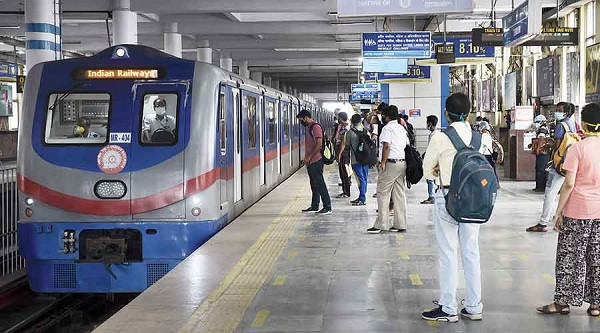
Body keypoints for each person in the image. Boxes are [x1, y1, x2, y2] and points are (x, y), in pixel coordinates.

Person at [421, 93, 483, 322]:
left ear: (446, 114)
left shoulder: (439, 137)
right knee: (471, 251)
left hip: (447, 197)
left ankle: (448, 308)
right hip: (474, 200)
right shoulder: (479, 137)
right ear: (468, 114)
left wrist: (438, 170)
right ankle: (474, 306)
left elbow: (428, 171)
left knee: (448, 252)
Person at [536, 102, 600, 317]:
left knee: (570, 258)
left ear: (583, 124)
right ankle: (596, 305)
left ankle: (562, 303)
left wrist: (558, 212)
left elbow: (569, 184)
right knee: (596, 258)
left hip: (577, 212)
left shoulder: (577, 148)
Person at [527, 102, 577, 232]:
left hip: (558, 164)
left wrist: (547, 145)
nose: (556, 112)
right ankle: (563, 217)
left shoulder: (561, 125)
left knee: (550, 194)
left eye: (559, 110)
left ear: (565, 113)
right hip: (568, 162)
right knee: (566, 192)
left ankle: (543, 223)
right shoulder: (572, 125)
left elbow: (557, 145)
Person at [367, 107, 408, 233]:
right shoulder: (401, 128)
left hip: (390, 164)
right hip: (402, 163)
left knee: (383, 193)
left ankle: (382, 224)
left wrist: (383, 162)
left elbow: (386, 146)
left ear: (386, 116)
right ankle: (400, 224)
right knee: (399, 194)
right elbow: (407, 144)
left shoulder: (387, 128)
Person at [297, 109, 332, 215]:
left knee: (320, 184)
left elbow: (319, 144)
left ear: (306, 118)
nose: (301, 122)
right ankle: (315, 206)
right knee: (314, 184)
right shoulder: (309, 127)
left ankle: (327, 207)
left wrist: (310, 157)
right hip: (311, 161)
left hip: (316, 160)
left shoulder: (315, 127)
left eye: (301, 120)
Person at [342, 114, 370, 206]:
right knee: (364, 178)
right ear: (360, 121)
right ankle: (362, 196)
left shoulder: (350, 132)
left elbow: (347, 146)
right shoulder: (366, 131)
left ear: (352, 121)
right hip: (366, 159)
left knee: (360, 179)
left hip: (355, 160)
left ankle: (362, 198)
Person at [421, 115, 438, 204]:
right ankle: (435, 194)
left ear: (430, 124)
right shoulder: (437, 133)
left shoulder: (434, 135)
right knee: (434, 178)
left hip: (432, 159)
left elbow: (432, 149)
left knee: (430, 178)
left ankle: (431, 196)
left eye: (427, 123)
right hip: (435, 158)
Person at [335, 112, 351, 198]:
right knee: (343, 172)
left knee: (344, 172)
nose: (338, 119)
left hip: (344, 152)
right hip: (344, 152)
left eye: (338, 118)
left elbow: (343, 142)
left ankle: (346, 192)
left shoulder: (345, 127)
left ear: (341, 118)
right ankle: (345, 191)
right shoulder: (344, 126)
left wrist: (339, 154)